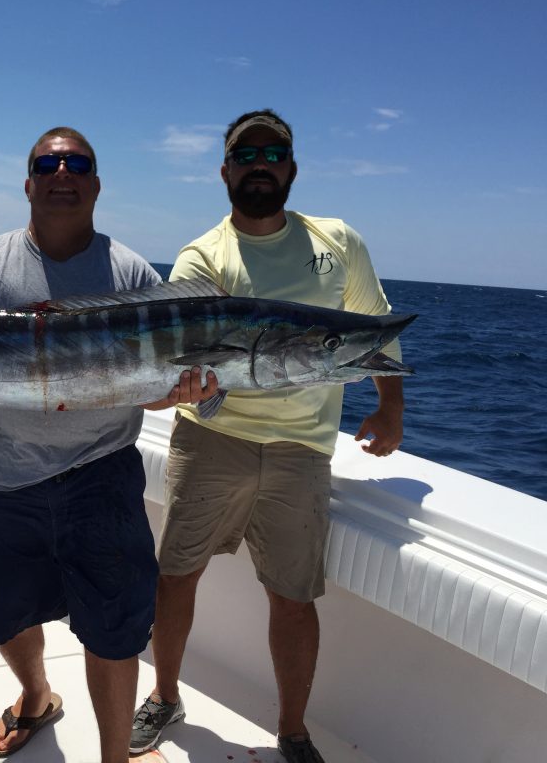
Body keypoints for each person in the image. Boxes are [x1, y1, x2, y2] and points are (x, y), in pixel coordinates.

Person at [0, 127, 215, 763]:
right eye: (48, 164)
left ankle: (115, 756)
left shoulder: (133, 273)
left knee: (115, 630)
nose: (63, 173)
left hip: (102, 473)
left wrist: (175, 392)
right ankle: (37, 696)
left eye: (77, 163)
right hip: (7, 475)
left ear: (95, 183)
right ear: (29, 183)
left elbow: (144, 384)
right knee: (8, 618)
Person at [129, 110, 406, 763]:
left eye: (273, 152)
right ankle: (165, 695)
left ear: (292, 168)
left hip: (303, 449)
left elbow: (375, 329)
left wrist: (390, 406)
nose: (260, 162)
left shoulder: (338, 242)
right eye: (246, 153)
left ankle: (292, 729)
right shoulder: (203, 256)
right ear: (226, 171)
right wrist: (180, 389)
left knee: (292, 595)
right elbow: (171, 365)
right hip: (210, 437)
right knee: (176, 577)